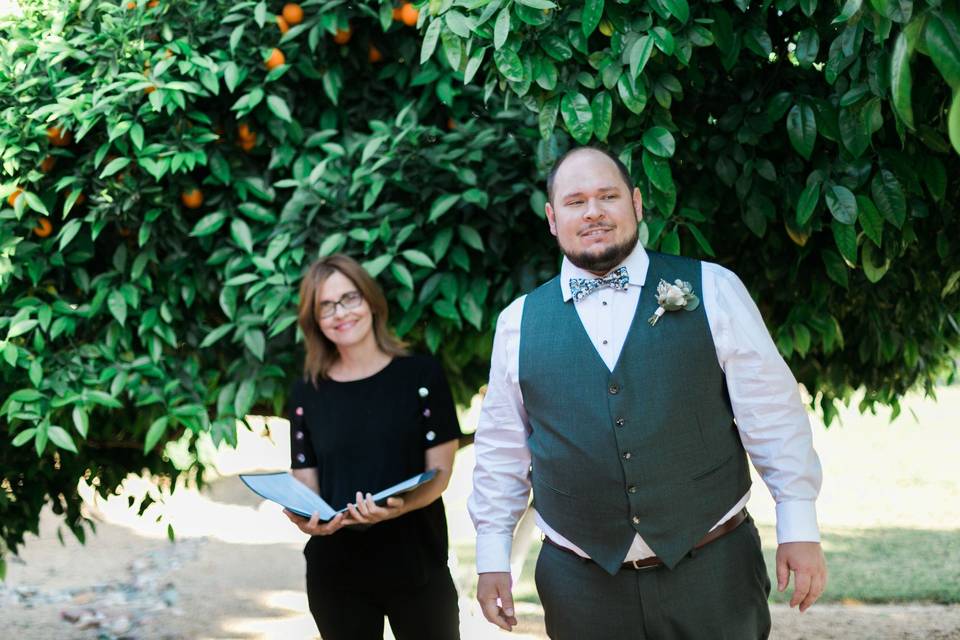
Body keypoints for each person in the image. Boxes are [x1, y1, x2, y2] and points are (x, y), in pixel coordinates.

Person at [468, 147, 828, 639]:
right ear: (553, 219)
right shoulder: (518, 323)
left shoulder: (714, 289)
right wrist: (493, 558)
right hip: (582, 584)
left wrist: (799, 526)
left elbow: (773, 415)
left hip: (713, 571)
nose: (593, 211)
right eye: (575, 201)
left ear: (636, 203)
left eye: (608, 196)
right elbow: (500, 451)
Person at [283, 253, 462, 640]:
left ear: (370, 300)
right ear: (314, 320)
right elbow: (306, 486)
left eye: (349, 298)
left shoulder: (422, 375)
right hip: (337, 575)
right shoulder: (305, 392)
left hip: (418, 566)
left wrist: (396, 510)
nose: (340, 313)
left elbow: (441, 474)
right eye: (326, 306)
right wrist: (306, 518)